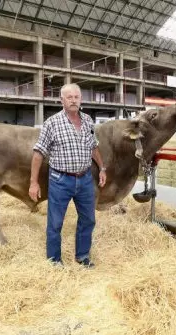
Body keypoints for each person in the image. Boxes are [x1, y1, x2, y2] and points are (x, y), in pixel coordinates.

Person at [29, 83, 107, 267]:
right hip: (60, 180)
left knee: (88, 219)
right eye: (69, 97)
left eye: (76, 97)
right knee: (55, 223)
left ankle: (82, 256)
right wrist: (33, 182)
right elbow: (38, 152)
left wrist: (102, 168)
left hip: (85, 179)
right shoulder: (52, 123)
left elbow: (93, 146)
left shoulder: (87, 120)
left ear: (81, 99)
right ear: (62, 100)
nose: (73, 100)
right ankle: (54, 261)